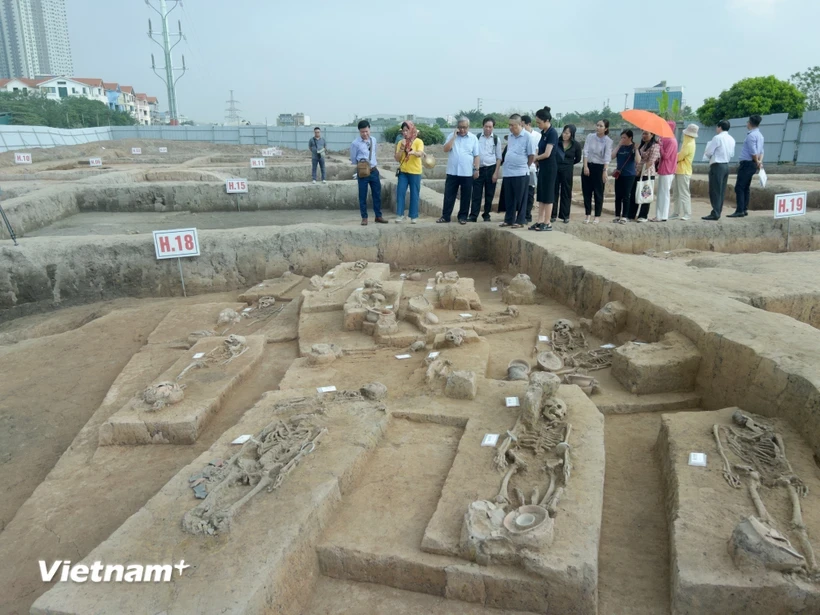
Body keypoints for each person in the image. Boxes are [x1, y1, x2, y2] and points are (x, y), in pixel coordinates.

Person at [438, 117, 480, 224]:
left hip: (466, 172)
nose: (462, 130)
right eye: (460, 127)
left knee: (466, 196)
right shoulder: (451, 136)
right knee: (449, 195)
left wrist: (476, 169)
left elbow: (476, 155)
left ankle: (462, 217)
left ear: (468, 127)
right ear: (457, 127)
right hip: (452, 171)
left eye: (464, 127)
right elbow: (445, 149)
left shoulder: (473, 138)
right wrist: (453, 137)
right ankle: (446, 216)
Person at [499, 114, 536, 228]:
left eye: (513, 125)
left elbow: (531, 155)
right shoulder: (510, 136)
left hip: (521, 172)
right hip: (508, 172)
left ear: (520, 124)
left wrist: (525, 165)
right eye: (509, 125)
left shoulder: (528, 137)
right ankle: (509, 219)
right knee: (509, 197)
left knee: (521, 198)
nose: (510, 127)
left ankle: (520, 220)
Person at [349, 120, 386, 225]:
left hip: (374, 171)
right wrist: (362, 166)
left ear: (370, 129)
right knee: (362, 195)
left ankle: (378, 216)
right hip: (362, 173)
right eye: (362, 132)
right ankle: (364, 217)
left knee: (377, 194)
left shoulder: (373, 140)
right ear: (359, 132)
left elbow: (374, 153)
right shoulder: (355, 143)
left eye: (366, 131)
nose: (365, 134)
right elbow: (353, 159)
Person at [529, 106, 559, 231]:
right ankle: (540, 220)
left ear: (546, 120)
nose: (538, 125)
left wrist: (536, 158)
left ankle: (547, 222)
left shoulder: (552, 133)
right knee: (541, 194)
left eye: (539, 122)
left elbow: (547, 153)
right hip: (542, 167)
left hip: (550, 167)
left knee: (548, 195)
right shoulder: (544, 133)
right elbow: (539, 148)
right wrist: (537, 159)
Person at [729, 114, 764, 218]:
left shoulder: (751, 136)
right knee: (746, 187)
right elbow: (761, 151)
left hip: (747, 163)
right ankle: (744, 208)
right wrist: (759, 161)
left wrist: (756, 160)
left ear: (750, 123)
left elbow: (753, 151)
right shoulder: (760, 135)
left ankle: (740, 209)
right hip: (753, 163)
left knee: (739, 187)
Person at [701, 120, 736, 220]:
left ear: (720, 127)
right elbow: (732, 154)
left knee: (715, 190)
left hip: (717, 165)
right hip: (726, 165)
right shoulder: (731, 139)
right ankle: (718, 211)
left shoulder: (717, 138)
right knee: (721, 190)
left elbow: (709, 152)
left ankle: (715, 212)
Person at [470, 117, 503, 222]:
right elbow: (473, 154)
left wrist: (496, 173)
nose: (488, 129)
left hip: (491, 169)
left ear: (493, 127)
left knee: (489, 194)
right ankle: (473, 215)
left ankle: (486, 214)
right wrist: (475, 169)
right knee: (476, 194)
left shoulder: (496, 139)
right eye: (486, 126)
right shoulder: (477, 138)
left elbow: (499, 157)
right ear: (483, 126)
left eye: (490, 127)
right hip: (479, 168)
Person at [582, 119, 612, 224]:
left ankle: (597, 216)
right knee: (587, 192)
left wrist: (605, 171)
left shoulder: (608, 141)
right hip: (588, 165)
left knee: (598, 193)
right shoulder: (590, 137)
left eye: (601, 126)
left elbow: (607, 157)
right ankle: (587, 214)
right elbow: (585, 151)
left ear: (606, 129)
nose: (598, 127)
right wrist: (585, 166)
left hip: (599, 168)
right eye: (597, 125)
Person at [394, 121, 424, 224]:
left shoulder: (418, 141)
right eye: (403, 131)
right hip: (403, 172)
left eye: (407, 130)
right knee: (400, 192)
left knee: (414, 194)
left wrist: (413, 153)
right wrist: (402, 148)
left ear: (412, 130)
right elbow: (397, 158)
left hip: (415, 172)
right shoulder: (400, 143)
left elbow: (420, 153)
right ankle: (400, 214)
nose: (405, 133)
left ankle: (413, 216)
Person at [628, 131, 660, 222]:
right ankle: (631, 215)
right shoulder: (642, 145)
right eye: (643, 134)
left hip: (647, 174)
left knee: (645, 194)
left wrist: (641, 171)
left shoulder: (655, 146)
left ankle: (643, 215)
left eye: (646, 134)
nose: (644, 136)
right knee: (634, 193)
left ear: (652, 134)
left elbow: (650, 162)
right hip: (637, 172)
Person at [554, 124, 582, 223]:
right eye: (564, 132)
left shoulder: (576, 145)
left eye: (567, 133)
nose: (565, 135)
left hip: (567, 170)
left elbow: (578, 158)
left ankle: (565, 215)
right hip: (556, 169)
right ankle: (553, 214)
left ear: (572, 134)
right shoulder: (557, 142)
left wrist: (569, 164)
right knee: (554, 191)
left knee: (566, 192)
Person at [670, 124, 698, 220]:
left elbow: (680, 156)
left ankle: (687, 213)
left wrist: (672, 156)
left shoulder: (689, 144)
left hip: (684, 171)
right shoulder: (687, 143)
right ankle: (676, 212)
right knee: (676, 193)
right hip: (680, 170)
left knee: (684, 193)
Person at [611, 129, 639, 224]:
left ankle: (625, 216)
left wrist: (636, 149)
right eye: (621, 137)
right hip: (619, 174)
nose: (622, 139)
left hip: (629, 175)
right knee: (618, 196)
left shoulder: (633, 147)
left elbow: (638, 160)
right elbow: (612, 156)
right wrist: (619, 145)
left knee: (626, 196)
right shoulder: (621, 147)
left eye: (624, 137)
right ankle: (617, 215)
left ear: (630, 138)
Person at [651, 120, 678, 222]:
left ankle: (662, 216)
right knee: (662, 193)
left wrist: (660, 145)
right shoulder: (666, 139)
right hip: (664, 169)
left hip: (667, 170)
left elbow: (666, 156)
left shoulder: (671, 140)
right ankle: (660, 215)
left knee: (664, 194)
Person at [522, 115, 541, 223]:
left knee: (530, 193)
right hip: (520, 169)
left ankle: (527, 215)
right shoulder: (519, 135)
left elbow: (537, 152)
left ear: (528, 124)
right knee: (521, 193)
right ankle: (521, 214)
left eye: (522, 125)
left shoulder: (537, 136)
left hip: (532, 168)